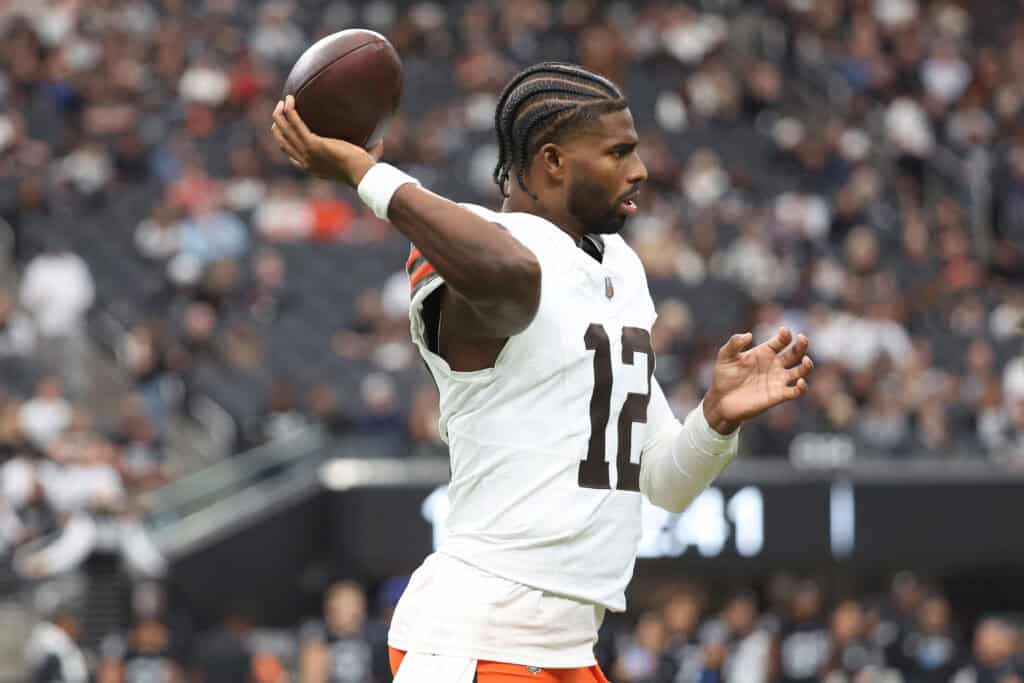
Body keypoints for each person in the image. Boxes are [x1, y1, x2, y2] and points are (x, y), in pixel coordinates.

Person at [271, 61, 815, 682]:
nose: (638, 170)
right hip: (478, 638)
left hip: (565, 649)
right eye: (617, 152)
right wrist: (366, 174)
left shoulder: (622, 268)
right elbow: (513, 280)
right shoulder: (478, 246)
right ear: (553, 161)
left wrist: (714, 421)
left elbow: (663, 481)